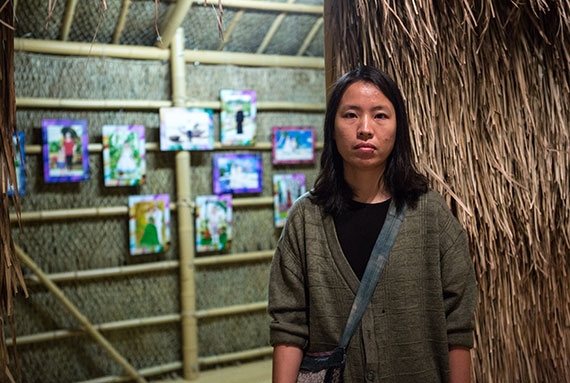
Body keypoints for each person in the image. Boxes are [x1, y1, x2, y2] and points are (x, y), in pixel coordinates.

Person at [268, 66, 477, 383]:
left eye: (380, 115)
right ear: (333, 127)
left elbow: (457, 325)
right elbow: (289, 324)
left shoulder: (431, 214)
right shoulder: (305, 219)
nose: (365, 128)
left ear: (398, 128)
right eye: (350, 115)